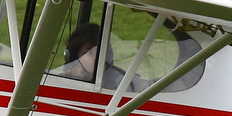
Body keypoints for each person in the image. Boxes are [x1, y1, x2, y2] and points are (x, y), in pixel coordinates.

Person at [56, 20, 204, 92]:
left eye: (104, 52)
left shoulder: (120, 81)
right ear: (72, 57)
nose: (98, 58)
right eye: (89, 52)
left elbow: (148, 89)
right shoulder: (60, 80)